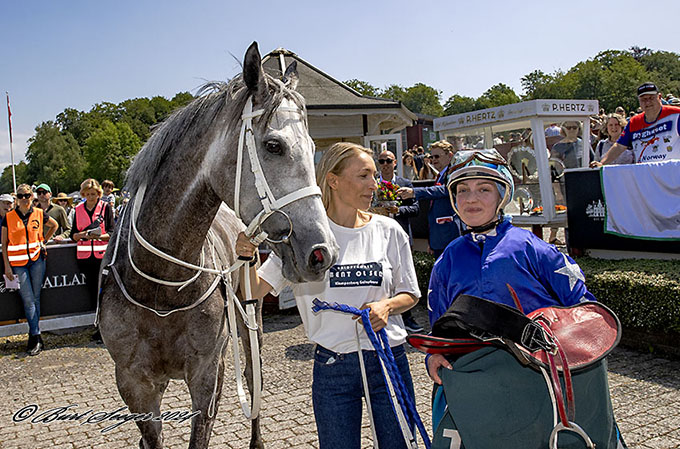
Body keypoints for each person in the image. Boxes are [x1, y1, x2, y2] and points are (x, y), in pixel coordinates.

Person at [425, 149, 627, 448]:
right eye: (462, 190)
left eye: (484, 189)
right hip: (480, 385)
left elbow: (584, 309)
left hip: (538, 380)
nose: (471, 199)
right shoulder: (447, 261)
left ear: (502, 195)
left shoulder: (534, 248)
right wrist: (433, 355)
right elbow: (438, 327)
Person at [235, 142, 421, 449]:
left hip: (389, 359)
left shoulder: (389, 231)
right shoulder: (301, 240)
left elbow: (410, 293)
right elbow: (253, 292)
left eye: (374, 175)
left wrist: (387, 306)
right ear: (333, 180)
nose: (374, 184)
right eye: (364, 175)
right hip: (333, 367)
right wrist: (248, 255)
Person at [2, 184, 58, 355]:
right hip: (18, 263)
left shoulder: (39, 214)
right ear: (16, 198)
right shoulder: (9, 217)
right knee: (28, 300)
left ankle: (35, 336)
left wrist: (44, 241)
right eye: (21, 196)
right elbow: (4, 244)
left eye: (27, 195)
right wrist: (7, 266)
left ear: (32, 196)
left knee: (35, 298)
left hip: (37, 260)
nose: (24, 199)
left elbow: (54, 226)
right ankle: (35, 335)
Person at [377, 149, 422, 333]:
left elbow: (416, 209)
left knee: (404, 278)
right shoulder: (373, 185)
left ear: (395, 162)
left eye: (388, 161)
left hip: (401, 236)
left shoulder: (405, 184)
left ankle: (408, 318)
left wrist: (399, 211)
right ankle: (383, 314)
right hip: (379, 237)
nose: (385, 164)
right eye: (381, 161)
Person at [397, 140, 461, 258]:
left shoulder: (453, 173)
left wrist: (414, 192)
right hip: (439, 238)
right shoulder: (440, 175)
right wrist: (432, 241)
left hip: (450, 236)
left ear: (450, 155)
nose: (434, 160)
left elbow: (445, 190)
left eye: (437, 156)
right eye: (432, 156)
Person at [69, 178, 115, 341]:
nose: (91, 197)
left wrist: (98, 236)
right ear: (83, 194)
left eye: (94, 194)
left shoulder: (105, 208)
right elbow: (73, 234)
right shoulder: (78, 209)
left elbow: (112, 232)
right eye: (88, 194)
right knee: (92, 294)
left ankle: (106, 327)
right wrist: (82, 235)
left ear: (99, 194)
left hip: (102, 256)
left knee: (104, 293)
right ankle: (98, 326)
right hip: (85, 257)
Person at [592, 82, 680, 166]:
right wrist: (602, 163)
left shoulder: (676, 115)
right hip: (644, 175)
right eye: (643, 99)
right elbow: (619, 146)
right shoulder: (634, 122)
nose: (648, 102)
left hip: (671, 176)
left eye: (651, 98)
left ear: (659, 97)